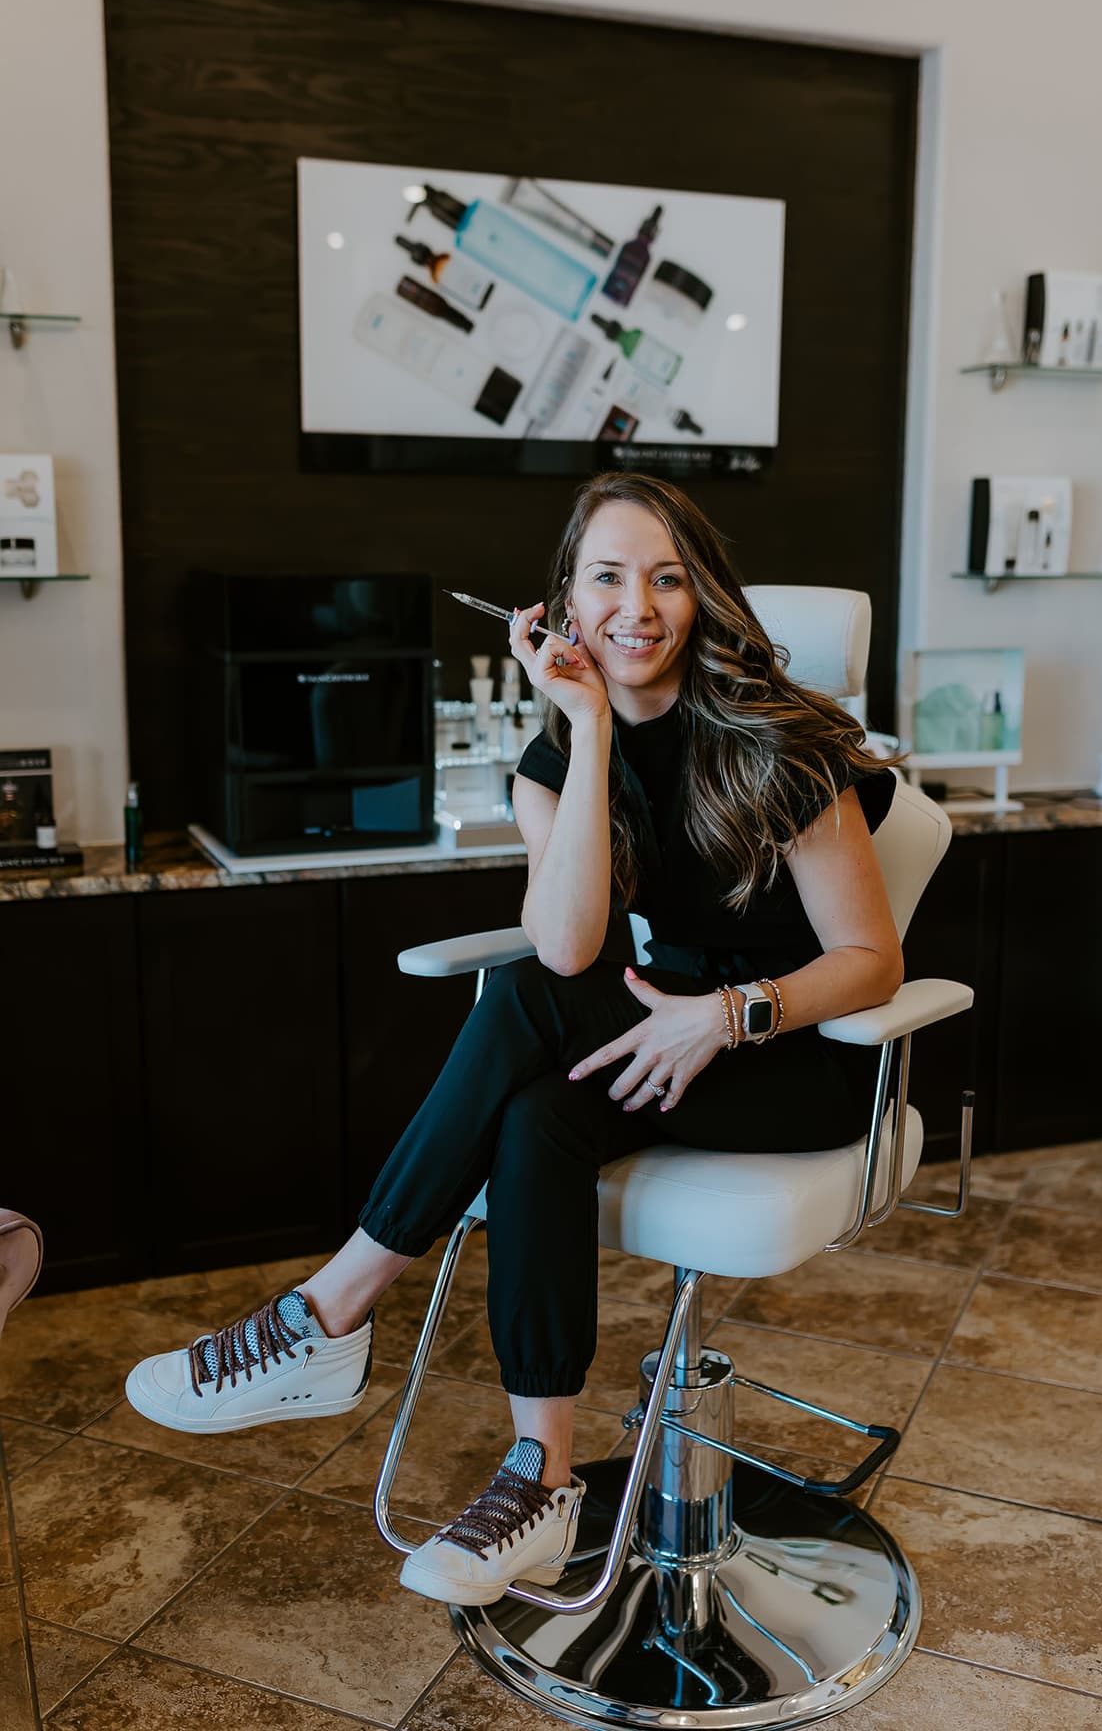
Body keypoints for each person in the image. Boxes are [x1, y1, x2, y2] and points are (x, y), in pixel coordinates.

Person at [125, 472, 902, 1608]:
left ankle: (331, 1310)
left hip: (796, 1054)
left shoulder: (774, 747)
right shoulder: (553, 763)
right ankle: (540, 1483)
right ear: (560, 610)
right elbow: (576, 943)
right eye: (607, 578)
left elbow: (871, 961)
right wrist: (586, 729)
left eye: (668, 578)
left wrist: (728, 1016)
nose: (638, 606)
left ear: (701, 599)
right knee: (539, 1114)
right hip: (659, 1027)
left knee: (531, 1000)